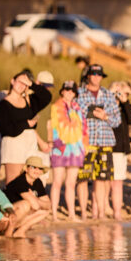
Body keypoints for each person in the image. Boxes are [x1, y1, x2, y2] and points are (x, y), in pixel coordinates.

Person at [76, 64, 120, 220]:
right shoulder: (79, 94)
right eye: (93, 74)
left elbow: (117, 121)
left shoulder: (108, 95)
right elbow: (73, 115)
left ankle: (100, 212)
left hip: (105, 142)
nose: (96, 76)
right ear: (88, 75)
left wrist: (105, 116)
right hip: (85, 143)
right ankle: (83, 212)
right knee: (82, 178)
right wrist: (88, 114)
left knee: (101, 179)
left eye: (99, 74)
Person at [0, 69, 51, 185]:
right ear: (12, 81)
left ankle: (25, 203)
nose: (22, 85)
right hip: (13, 144)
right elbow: (4, 129)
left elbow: (47, 96)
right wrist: (26, 124)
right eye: (20, 82)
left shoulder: (28, 101)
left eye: (25, 84)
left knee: (29, 181)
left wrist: (32, 84)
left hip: (29, 143)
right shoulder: (4, 104)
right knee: (13, 181)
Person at [48, 80, 85, 221]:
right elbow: (52, 126)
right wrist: (53, 143)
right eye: (67, 90)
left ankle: (71, 214)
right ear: (62, 91)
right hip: (59, 148)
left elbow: (82, 128)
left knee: (71, 183)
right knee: (57, 181)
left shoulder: (77, 108)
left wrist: (83, 147)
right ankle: (54, 214)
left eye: (72, 90)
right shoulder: (55, 107)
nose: (69, 93)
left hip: (75, 148)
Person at [4, 156, 52, 238]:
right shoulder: (20, 181)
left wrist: (35, 198)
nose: (37, 170)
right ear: (26, 169)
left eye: (40, 168)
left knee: (45, 211)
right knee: (26, 204)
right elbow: (35, 206)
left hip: (17, 217)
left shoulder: (37, 182)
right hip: (3, 219)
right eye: (33, 167)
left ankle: (20, 231)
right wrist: (36, 201)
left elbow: (49, 205)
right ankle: (8, 233)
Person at [109, 81, 131, 220]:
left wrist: (126, 100)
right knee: (104, 182)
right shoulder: (107, 104)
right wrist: (110, 93)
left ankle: (117, 212)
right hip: (106, 148)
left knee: (117, 182)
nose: (119, 96)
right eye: (117, 93)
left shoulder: (125, 108)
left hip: (120, 149)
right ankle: (99, 210)